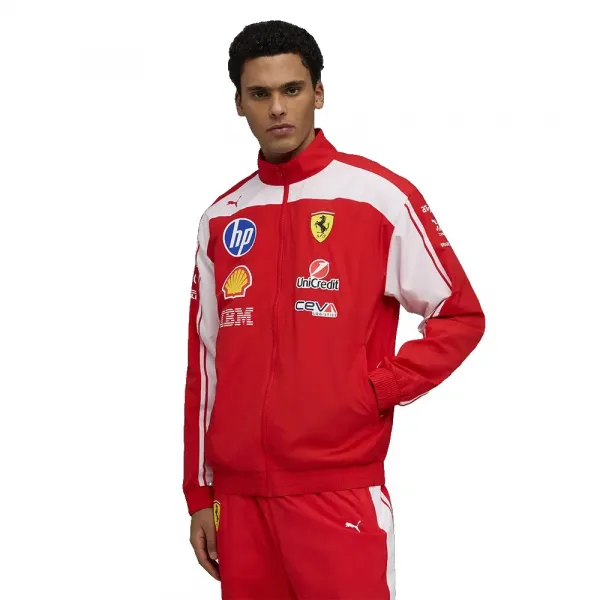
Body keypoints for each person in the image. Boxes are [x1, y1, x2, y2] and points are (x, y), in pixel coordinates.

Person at [183, 19, 485, 600]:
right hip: (238, 502)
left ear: (318, 93)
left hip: (336, 490)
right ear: (238, 103)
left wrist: (374, 391)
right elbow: (205, 363)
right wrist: (200, 493)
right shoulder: (221, 218)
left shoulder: (379, 197)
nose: (277, 108)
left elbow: (459, 316)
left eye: (292, 90)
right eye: (259, 93)